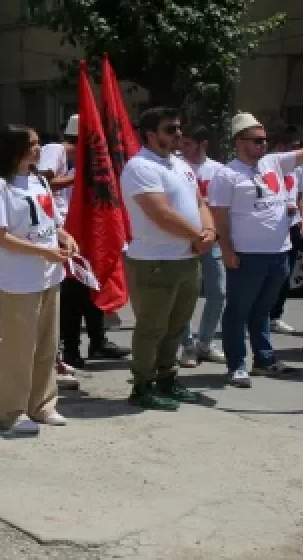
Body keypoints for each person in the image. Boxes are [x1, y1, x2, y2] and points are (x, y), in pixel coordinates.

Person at [210, 109, 303, 386]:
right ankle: (237, 365)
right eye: (257, 140)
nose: (263, 145)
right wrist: (228, 251)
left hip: (279, 253)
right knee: (238, 311)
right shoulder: (226, 175)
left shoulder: (274, 163)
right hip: (247, 255)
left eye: (265, 140)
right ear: (240, 142)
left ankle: (264, 359)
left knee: (263, 309)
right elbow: (220, 218)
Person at [0, 124, 78, 433]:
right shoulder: (1, 186)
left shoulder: (39, 181)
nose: (39, 148)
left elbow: (48, 221)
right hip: (16, 278)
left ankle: (42, 404)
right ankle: (11, 411)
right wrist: (42, 251)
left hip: (48, 275)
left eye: (39, 142)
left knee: (46, 345)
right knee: (16, 349)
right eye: (33, 144)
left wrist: (64, 238)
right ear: (16, 149)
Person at [121, 107, 214, 410]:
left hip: (185, 258)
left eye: (178, 128)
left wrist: (210, 230)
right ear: (150, 134)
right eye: (170, 129)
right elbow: (159, 213)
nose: (178, 134)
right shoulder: (140, 167)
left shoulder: (180, 164)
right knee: (153, 327)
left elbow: (199, 201)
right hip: (156, 260)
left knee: (177, 325)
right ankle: (143, 385)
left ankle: (167, 379)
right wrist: (197, 237)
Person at [45, 115, 128, 368]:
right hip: (62, 230)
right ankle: (70, 348)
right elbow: (44, 180)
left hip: (84, 230)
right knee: (73, 293)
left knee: (93, 284)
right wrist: (80, 178)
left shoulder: (80, 160)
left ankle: (97, 341)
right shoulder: (55, 150)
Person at [176, 126, 227, 367]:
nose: (182, 148)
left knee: (218, 291)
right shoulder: (176, 168)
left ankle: (204, 343)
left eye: (188, 143)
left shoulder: (218, 170)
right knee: (185, 295)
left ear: (202, 144)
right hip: (183, 240)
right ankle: (187, 344)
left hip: (211, 239)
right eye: (181, 143)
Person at [268, 130, 303, 335]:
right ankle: (259, 315)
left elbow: (300, 196)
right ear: (279, 147)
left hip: (292, 225)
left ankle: (275, 316)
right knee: (268, 274)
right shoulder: (268, 168)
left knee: (286, 273)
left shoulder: (297, 170)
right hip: (272, 227)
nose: (294, 151)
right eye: (290, 146)